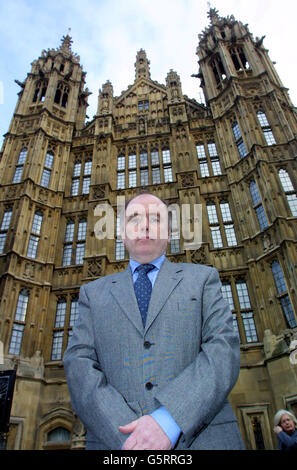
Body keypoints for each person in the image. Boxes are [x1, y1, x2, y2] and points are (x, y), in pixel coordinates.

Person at [63, 192, 245, 450]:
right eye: (134, 218)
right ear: (123, 236)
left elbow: (223, 349)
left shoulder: (203, 278)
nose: (145, 225)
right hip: (118, 444)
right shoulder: (92, 294)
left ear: (169, 233)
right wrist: (132, 438)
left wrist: (169, 420)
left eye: (155, 218)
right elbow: (79, 365)